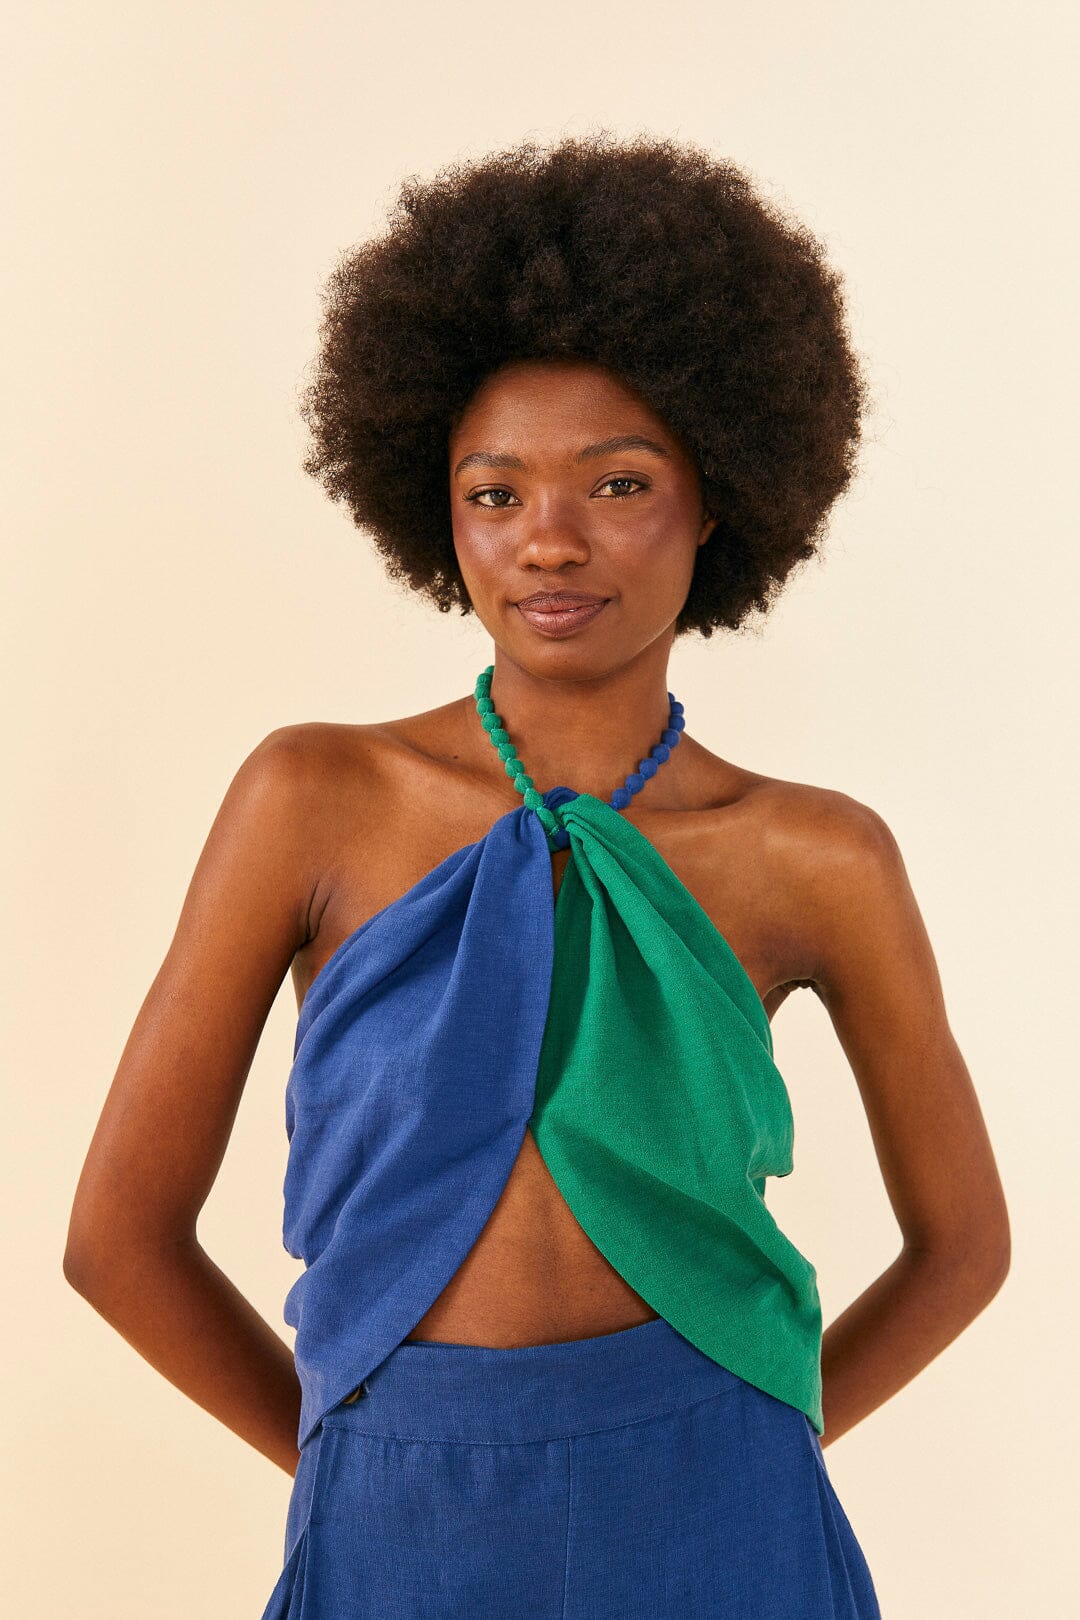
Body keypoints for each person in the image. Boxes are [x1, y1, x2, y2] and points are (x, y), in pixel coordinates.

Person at [64, 131, 1010, 1617]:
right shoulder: (310, 800)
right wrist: (343, 1460)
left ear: (721, 498)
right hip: (399, 1515)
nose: (548, 544)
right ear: (435, 511)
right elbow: (115, 1242)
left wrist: (765, 1433)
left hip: (725, 1522)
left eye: (617, 483)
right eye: (495, 494)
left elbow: (966, 1247)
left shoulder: (817, 856)